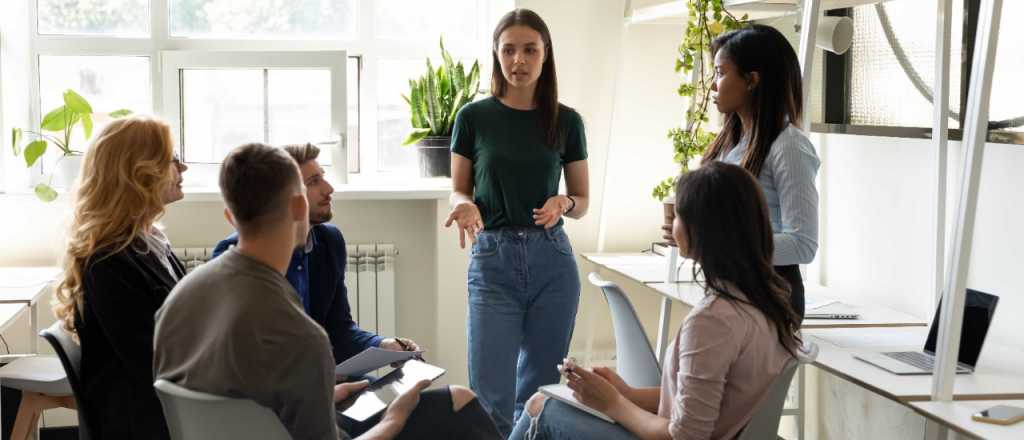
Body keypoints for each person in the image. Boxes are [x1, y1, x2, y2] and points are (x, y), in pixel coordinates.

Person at [154, 143, 501, 440]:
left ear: (231, 216)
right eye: (314, 181)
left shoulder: (175, 303)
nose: (328, 188)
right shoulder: (303, 337)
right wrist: (393, 419)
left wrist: (323, 391)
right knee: (457, 405)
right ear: (299, 207)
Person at [510, 162, 804, 440]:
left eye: (678, 215)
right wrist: (626, 394)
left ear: (703, 229)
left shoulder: (713, 321)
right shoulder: (765, 302)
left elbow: (685, 436)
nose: (671, 222)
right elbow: (705, 402)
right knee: (545, 401)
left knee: (541, 406)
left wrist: (613, 403)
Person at [444, 8, 590, 435]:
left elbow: (582, 201)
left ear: (546, 54)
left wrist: (563, 202)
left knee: (539, 398)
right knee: (490, 399)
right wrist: (466, 205)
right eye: (508, 50)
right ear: (496, 53)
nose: (519, 60)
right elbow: (459, 189)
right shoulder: (473, 118)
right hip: (493, 261)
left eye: (530, 50)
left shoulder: (567, 121)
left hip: (553, 262)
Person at [211, 143, 420, 364]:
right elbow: (242, 355)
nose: (329, 189)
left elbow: (338, 329)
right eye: (313, 181)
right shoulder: (237, 255)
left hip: (322, 376)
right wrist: (321, 382)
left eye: (323, 177)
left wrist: (383, 345)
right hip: (280, 382)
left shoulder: (329, 241)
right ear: (286, 196)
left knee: (431, 384)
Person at [52, 116, 188, 439]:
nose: (183, 168)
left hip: (162, 408)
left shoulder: (149, 242)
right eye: (172, 159)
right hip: (143, 424)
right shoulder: (108, 261)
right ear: (138, 173)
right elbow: (154, 361)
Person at [701, 24, 820, 319]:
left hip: (769, 298)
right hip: (731, 290)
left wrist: (722, 246)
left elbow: (802, 244)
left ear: (752, 80)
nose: (713, 86)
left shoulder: (789, 147)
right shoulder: (731, 143)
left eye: (720, 73)